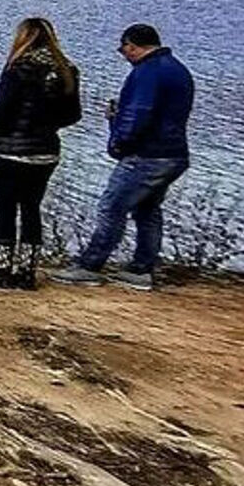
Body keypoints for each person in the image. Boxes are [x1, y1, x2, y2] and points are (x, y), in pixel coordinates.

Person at [52, 24, 195, 291]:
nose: (123, 54)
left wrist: (118, 140)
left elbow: (139, 114)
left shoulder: (147, 73)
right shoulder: (176, 68)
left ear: (132, 45)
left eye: (123, 48)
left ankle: (89, 266)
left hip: (147, 155)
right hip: (173, 153)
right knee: (147, 210)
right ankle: (142, 268)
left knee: (111, 206)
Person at [0, 17, 82, 289]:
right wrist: (47, 125)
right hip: (45, 150)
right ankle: (27, 272)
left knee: (5, 208)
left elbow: (3, 108)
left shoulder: (19, 68)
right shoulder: (67, 70)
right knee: (31, 209)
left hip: (9, 150)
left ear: (23, 38)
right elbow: (74, 114)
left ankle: (3, 268)